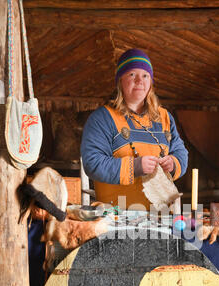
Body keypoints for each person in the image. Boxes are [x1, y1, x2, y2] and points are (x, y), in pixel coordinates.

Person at [80, 48, 188, 210]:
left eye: (145, 76)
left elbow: (181, 153)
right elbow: (92, 163)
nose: (140, 81)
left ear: (150, 83)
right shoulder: (103, 118)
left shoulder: (164, 117)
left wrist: (172, 163)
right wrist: (135, 167)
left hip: (161, 217)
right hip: (115, 217)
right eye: (132, 75)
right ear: (120, 81)